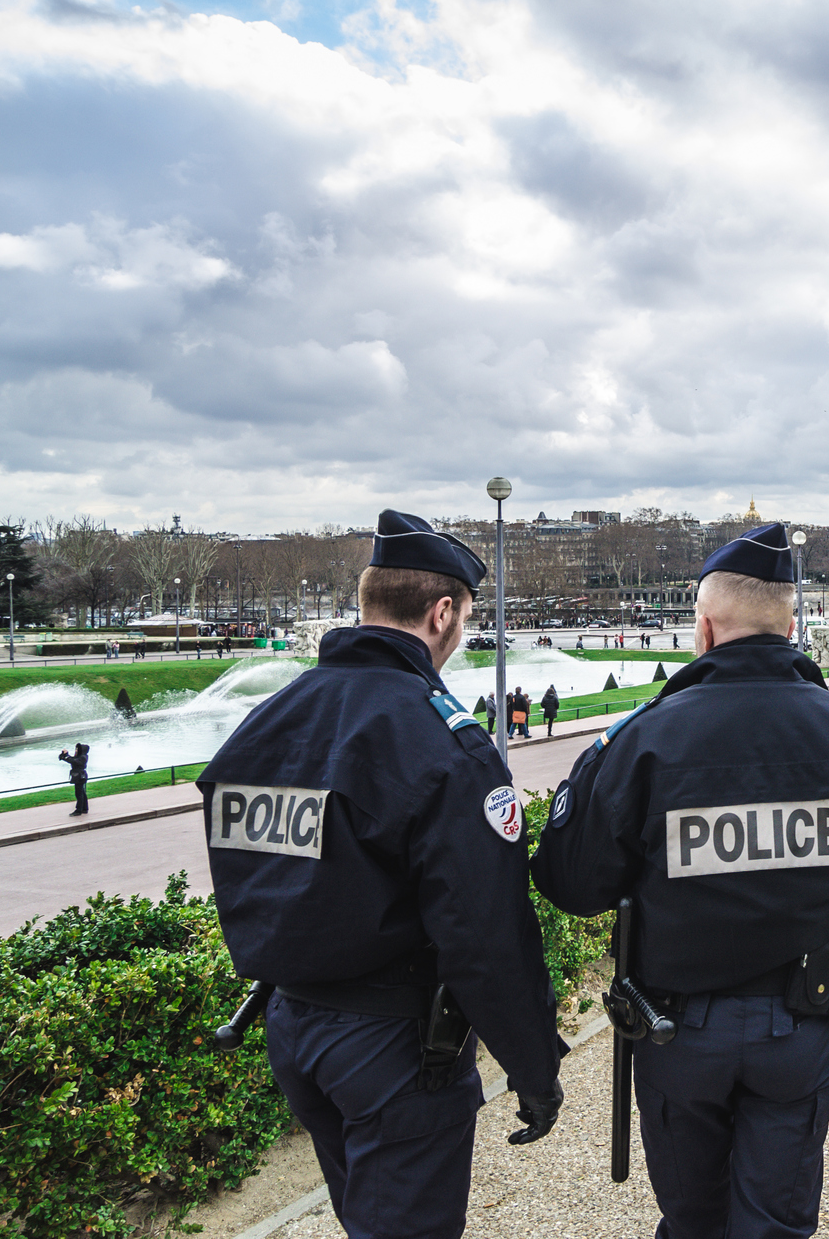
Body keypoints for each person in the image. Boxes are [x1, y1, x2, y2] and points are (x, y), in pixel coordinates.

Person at [532, 522, 829, 1239]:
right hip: (799, 1027)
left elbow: (571, 884)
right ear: (790, 625)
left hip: (675, 1033)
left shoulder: (645, 740)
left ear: (704, 629)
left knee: (690, 1221)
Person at [198, 510, 565, 1239]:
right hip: (393, 1044)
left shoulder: (270, 718)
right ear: (442, 612)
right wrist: (534, 1067)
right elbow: (485, 934)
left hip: (293, 1027)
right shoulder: (440, 739)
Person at [59, 742, 91, 815]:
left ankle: (79, 810)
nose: (76, 750)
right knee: (82, 793)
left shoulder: (83, 757)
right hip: (79, 776)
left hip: (80, 776)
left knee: (79, 793)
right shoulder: (80, 756)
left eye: (77, 749)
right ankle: (84, 808)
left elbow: (73, 761)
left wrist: (66, 757)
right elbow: (72, 760)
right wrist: (65, 755)